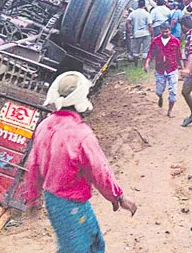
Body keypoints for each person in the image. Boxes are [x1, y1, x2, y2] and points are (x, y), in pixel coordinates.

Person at [24, 72, 137, 253]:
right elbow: (100, 172)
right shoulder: (81, 135)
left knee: (94, 244)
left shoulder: (44, 126)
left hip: (55, 200)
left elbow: (34, 165)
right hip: (70, 203)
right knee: (81, 248)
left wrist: (32, 195)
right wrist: (118, 197)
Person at [144, 23, 182, 118]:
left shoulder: (175, 41)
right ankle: (160, 97)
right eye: (163, 31)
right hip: (160, 69)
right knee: (159, 90)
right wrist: (147, 63)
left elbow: (179, 56)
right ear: (160, 31)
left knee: (173, 91)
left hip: (172, 69)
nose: (165, 33)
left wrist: (183, 68)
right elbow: (150, 53)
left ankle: (170, 111)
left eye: (167, 31)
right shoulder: (155, 41)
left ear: (170, 31)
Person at [126, 0, 153, 65]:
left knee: (135, 51)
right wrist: (152, 34)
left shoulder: (133, 13)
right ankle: (144, 65)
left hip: (136, 33)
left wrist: (130, 32)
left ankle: (136, 65)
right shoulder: (147, 14)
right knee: (145, 51)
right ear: (145, 5)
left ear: (138, 4)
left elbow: (127, 22)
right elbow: (150, 25)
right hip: (146, 33)